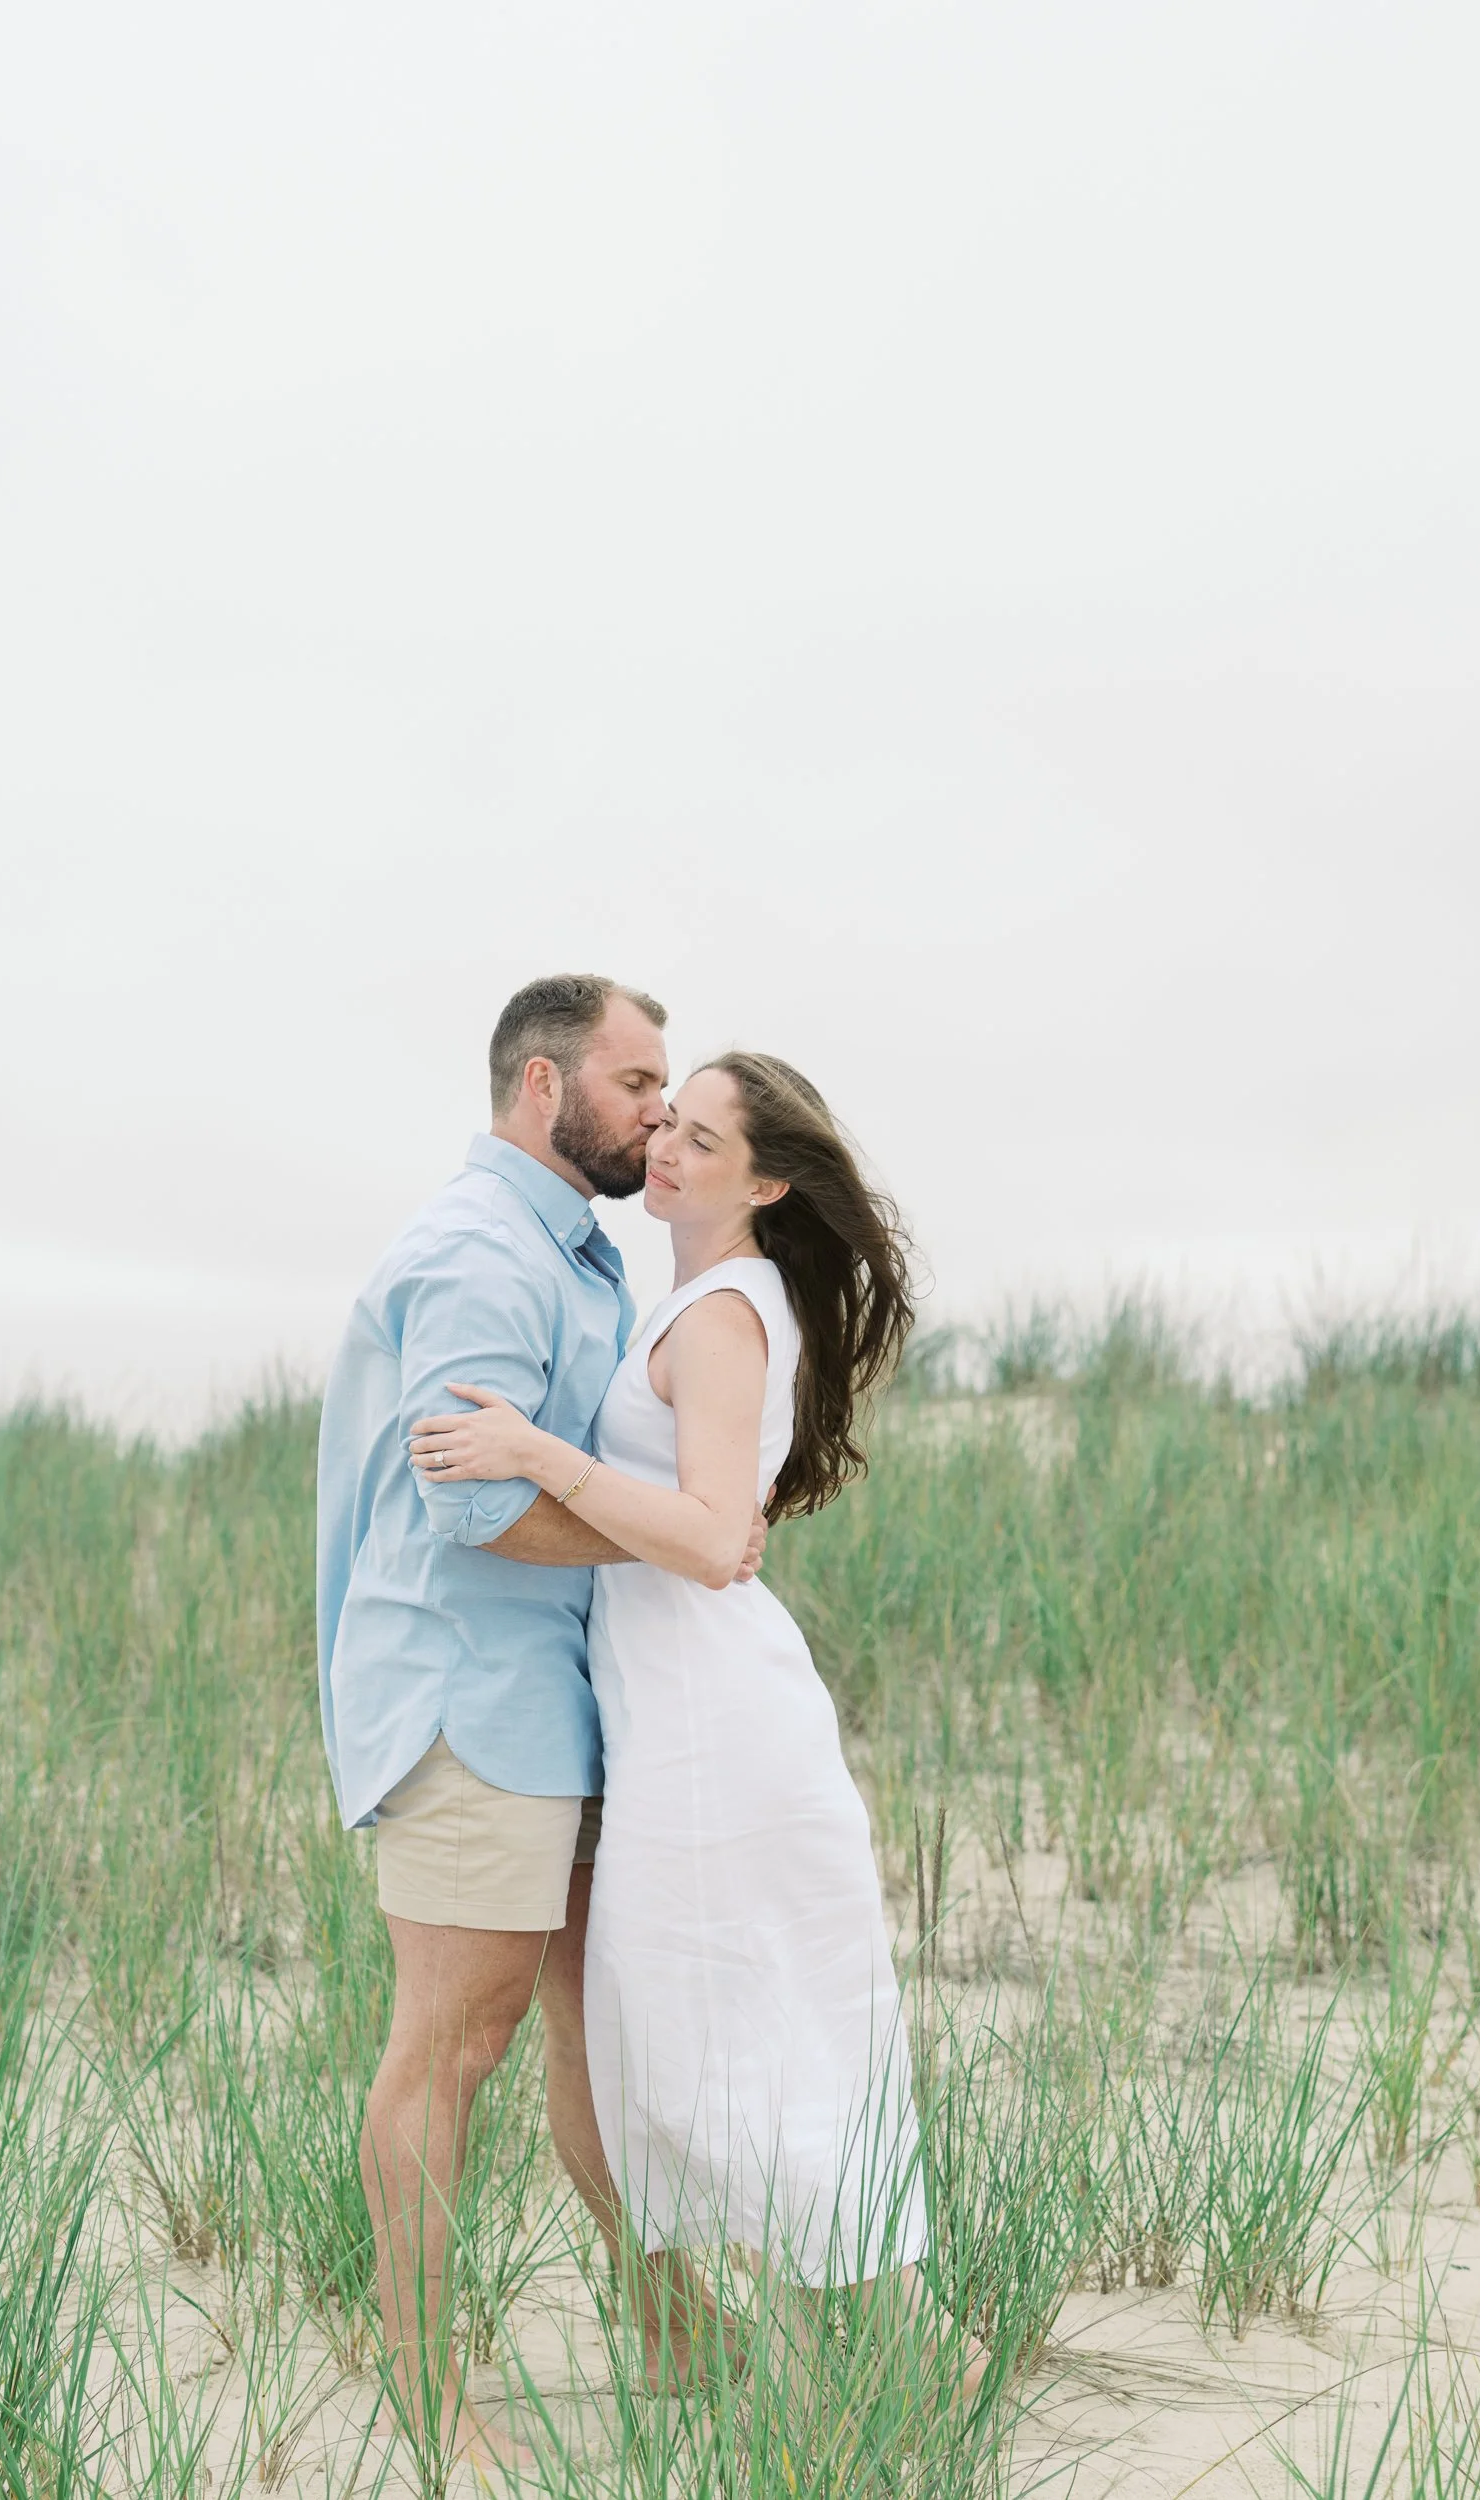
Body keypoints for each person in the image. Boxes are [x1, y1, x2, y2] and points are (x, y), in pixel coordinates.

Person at [413, 1052, 982, 2401]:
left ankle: (911, 2366)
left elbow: (715, 1536)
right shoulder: (712, 1302)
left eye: (704, 1141)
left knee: (749, 2023)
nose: (664, 1150)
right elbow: (723, 1521)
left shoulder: (723, 1312)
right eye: (667, 1123)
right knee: (712, 2022)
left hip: (718, 1728)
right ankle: (842, 2360)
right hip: (677, 1712)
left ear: (767, 1181)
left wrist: (538, 1454)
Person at [315, 975, 768, 2478]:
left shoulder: (571, 1256)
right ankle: (427, 2395)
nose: (658, 1113)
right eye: (637, 1084)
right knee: (455, 2041)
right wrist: (680, 1543)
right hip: (465, 1700)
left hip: (560, 1706)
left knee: (598, 2027)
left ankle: (674, 2331)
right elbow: (480, 1509)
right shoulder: (476, 1254)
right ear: (537, 1087)